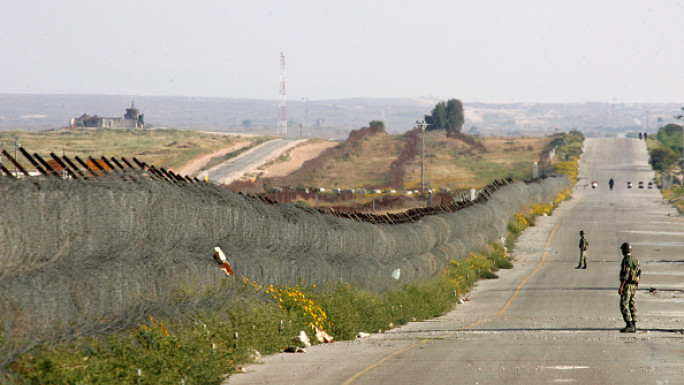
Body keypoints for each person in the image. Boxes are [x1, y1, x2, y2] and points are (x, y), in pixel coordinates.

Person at [618, 242, 641, 333]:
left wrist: (621, 286)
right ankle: (634, 324)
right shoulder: (635, 259)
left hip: (627, 285)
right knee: (632, 303)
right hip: (634, 285)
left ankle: (629, 324)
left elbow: (626, 274)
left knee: (624, 304)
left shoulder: (626, 260)